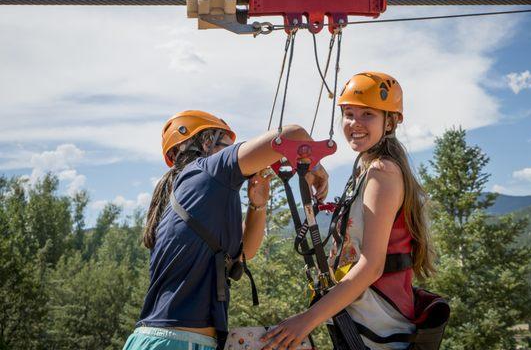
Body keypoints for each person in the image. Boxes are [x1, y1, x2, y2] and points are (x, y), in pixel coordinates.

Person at [122, 110, 328, 350]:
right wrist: (315, 165)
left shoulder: (193, 195)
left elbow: (245, 252)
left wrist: (257, 205)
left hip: (173, 339)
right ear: (207, 143)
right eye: (228, 145)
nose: (235, 151)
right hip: (180, 341)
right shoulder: (205, 171)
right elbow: (294, 134)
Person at [261, 72, 436, 350]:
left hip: (379, 324)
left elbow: (371, 266)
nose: (355, 123)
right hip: (366, 320)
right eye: (348, 114)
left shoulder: (382, 171)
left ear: (389, 122)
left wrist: (306, 321)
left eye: (368, 114)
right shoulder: (366, 169)